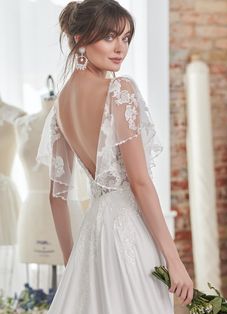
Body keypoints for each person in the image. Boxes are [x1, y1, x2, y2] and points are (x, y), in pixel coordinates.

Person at [36, 0, 193, 313]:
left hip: (93, 237)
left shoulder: (60, 105)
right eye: (109, 37)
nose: (120, 48)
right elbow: (139, 182)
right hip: (128, 234)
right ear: (80, 39)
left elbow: (56, 196)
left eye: (126, 38)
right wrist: (175, 261)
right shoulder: (119, 90)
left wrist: (72, 264)